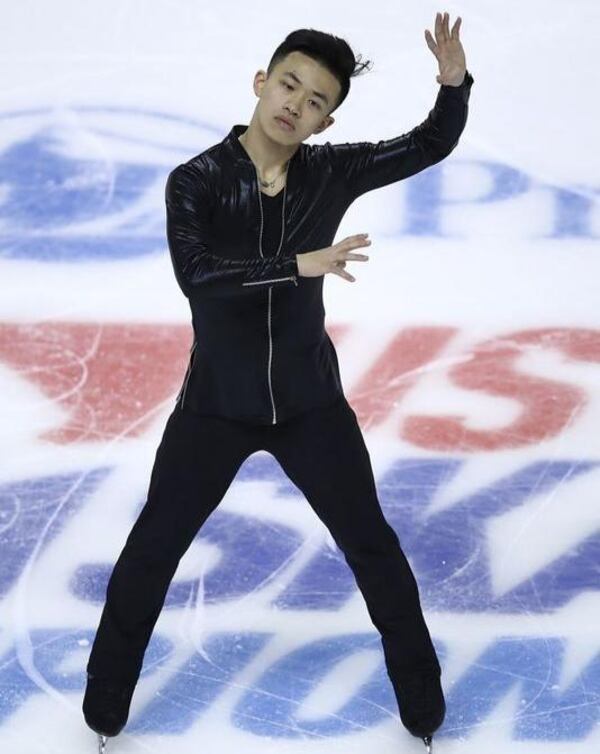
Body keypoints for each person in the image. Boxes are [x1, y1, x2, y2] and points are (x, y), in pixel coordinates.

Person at [83, 13, 473, 754]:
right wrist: (299, 264)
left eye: (317, 99)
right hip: (215, 410)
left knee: (373, 549)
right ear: (262, 84)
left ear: (326, 120)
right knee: (151, 552)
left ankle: (423, 714)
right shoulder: (195, 181)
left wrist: (453, 87)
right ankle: (104, 712)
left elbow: (427, 144)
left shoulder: (329, 172)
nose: (297, 103)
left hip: (309, 408)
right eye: (288, 84)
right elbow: (197, 277)